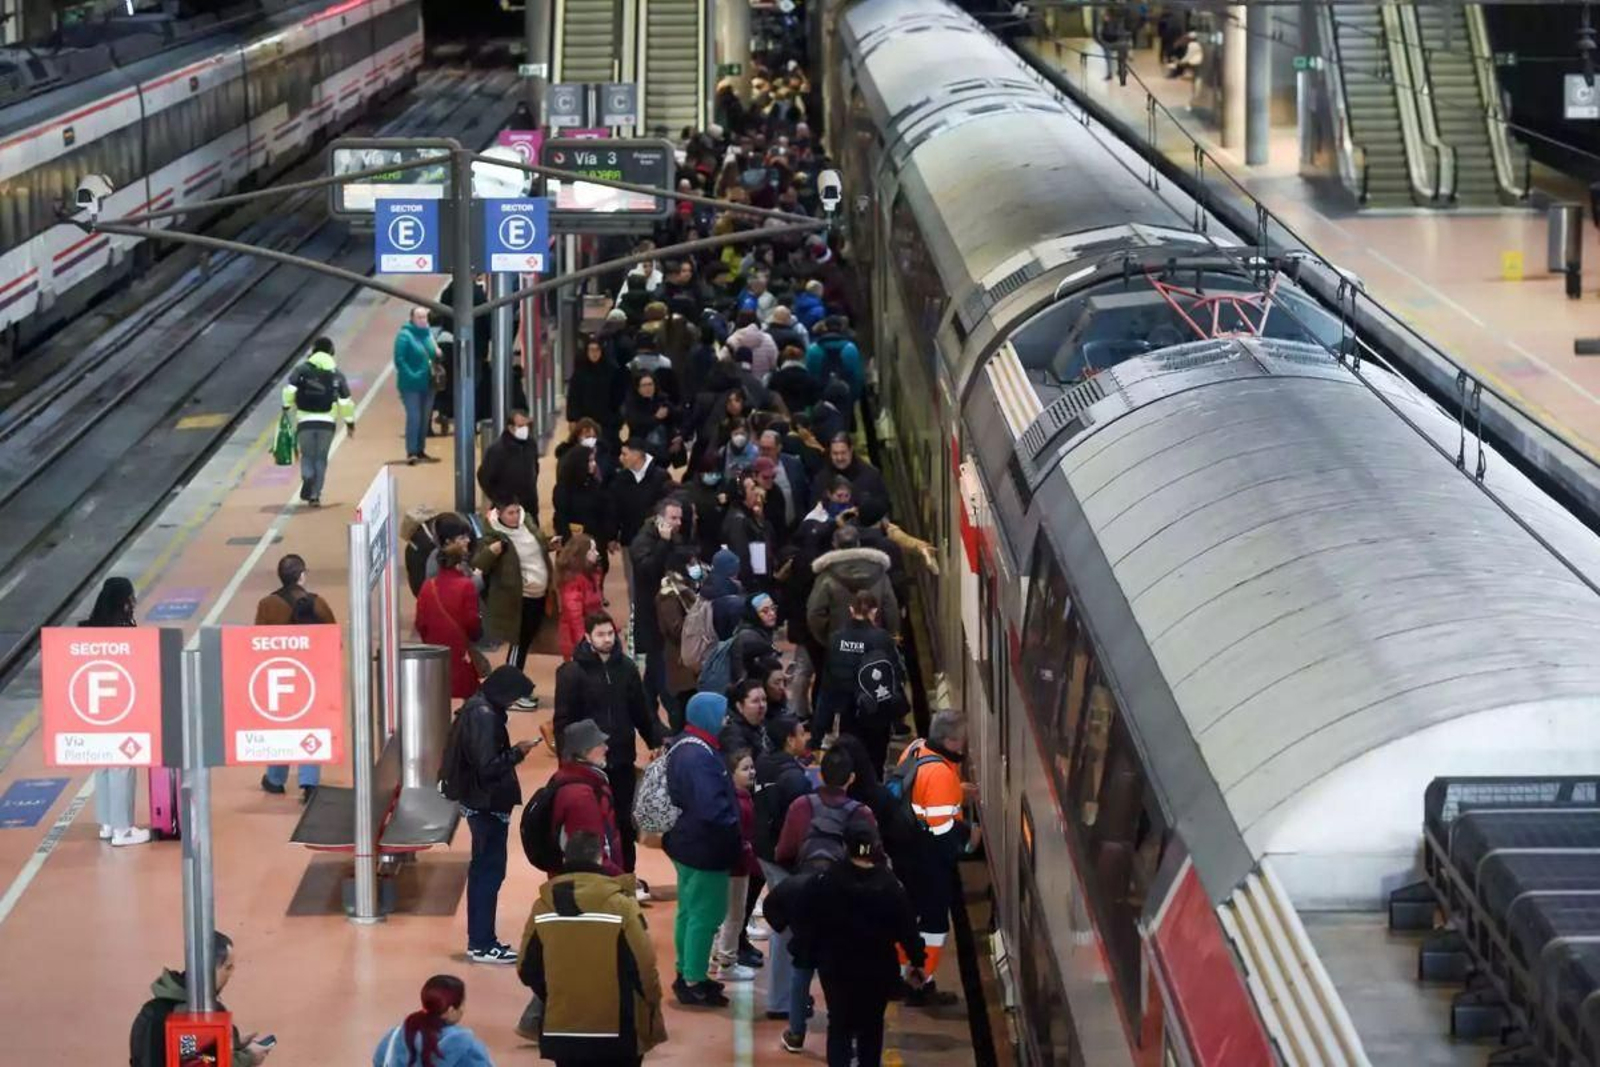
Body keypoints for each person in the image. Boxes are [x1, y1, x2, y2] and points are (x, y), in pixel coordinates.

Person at [518, 832, 667, 1065]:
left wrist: (556, 995)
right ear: (600, 858)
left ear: (565, 859)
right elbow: (644, 968)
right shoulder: (622, 907)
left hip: (563, 1030)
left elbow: (527, 968)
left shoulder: (543, 906)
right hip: (618, 1028)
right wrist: (651, 1006)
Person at [768, 746, 878, 1053]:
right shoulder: (862, 813)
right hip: (847, 900)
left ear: (819, 774)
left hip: (807, 897)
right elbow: (873, 859)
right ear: (851, 778)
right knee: (844, 969)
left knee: (802, 963)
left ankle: (796, 1032)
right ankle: (845, 1030)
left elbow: (783, 852)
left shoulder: (802, 806)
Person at [795, 821, 927, 1067]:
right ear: (876, 847)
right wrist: (917, 961)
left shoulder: (826, 881)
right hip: (876, 969)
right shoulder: (890, 886)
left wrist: (807, 955)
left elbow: (809, 921)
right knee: (871, 1027)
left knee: (839, 1025)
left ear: (846, 846)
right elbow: (907, 929)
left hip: (835, 967)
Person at [552, 612, 662, 877]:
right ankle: (594, 874)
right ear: (588, 637)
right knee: (593, 822)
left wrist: (654, 740)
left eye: (610, 633)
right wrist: (566, 760)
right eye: (601, 635)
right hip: (588, 763)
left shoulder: (626, 668)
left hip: (622, 757)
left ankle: (627, 876)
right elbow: (563, 720)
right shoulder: (572, 673)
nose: (607, 639)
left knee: (624, 821)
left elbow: (640, 710)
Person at [664, 692, 743, 1007]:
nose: (726, 721)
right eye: (722, 714)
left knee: (688, 911)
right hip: (705, 848)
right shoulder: (701, 757)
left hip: (686, 843)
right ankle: (694, 980)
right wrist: (735, 824)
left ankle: (687, 970)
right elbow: (713, 808)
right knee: (705, 915)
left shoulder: (687, 746)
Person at [894, 710, 977, 1006]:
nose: (964, 746)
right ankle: (919, 983)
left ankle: (906, 975)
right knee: (933, 926)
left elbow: (921, 795)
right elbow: (942, 831)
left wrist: (955, 792)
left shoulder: (917, 747)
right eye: (961, 740)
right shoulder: (941, 773)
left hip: (906, 851)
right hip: (928, 860)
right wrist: (968, 838)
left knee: (910, 917)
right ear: (949, 740)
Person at [456, 666, 538, 963]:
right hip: (486, 804)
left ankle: (479, 939)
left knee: (483, 872)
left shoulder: (477, 708)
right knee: (488, 873)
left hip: (479, 802)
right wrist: (517, 752)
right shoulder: (484, 717)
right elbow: (488, 766)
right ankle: (482, 941)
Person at [255, 554, 336, 799]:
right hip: (311, 675)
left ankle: (275, 779)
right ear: (302, 576)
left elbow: (255, 643)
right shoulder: (317, 603)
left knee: (281, 725)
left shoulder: (267, 605)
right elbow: (333, 640)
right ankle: (309, 782)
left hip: (279, 676)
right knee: (311, 724)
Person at [130, 932, 272, 1067]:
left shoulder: (154, 1008)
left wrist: (235, 1043)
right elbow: (197, 1061)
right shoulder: (189, 1012)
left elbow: (197, 1054)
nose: (231, 974)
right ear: (209, 968)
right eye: (228, 967)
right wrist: (248, 1058)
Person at [81, 578, 151, 846]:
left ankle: (107, 824)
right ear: (124, 600)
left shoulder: (88, 630)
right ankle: (124, 829)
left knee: (104, 762)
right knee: (123, 764)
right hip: (123, 706)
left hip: (94, 709)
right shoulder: (125, 629)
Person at [753, 716, 814, 1023]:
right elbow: (799, 827)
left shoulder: (763, 765)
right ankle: (782, 1000)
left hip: (765, 852)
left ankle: (784, 996)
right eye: (802, 733)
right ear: (790, 740)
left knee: (783, 921)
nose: (807, 737)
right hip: (783, 859)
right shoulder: (794, 779)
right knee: (788, 927)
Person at [816, 592, 904, 768]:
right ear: (875, 611)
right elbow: (896, 677)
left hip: (848, 714)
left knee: (851, 763)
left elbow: (827, 686)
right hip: (877, 712)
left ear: (850, 610)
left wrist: (819, 728)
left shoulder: (836, 639)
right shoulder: (882, 639)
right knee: (875, 765)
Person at [473, 502, 552, 672]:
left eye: (517, 511)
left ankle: (513, 683)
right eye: (510, 513)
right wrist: (492, 552)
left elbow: (537, 548)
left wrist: (550, 544)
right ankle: (511, 685)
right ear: (499, 514)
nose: (516, 516)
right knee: (519, 644)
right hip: (518, 597)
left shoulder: (528, 525)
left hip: (540, 593)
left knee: (526, 641)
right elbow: (479, 564)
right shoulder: (493, 536)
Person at [281, 336, 355, 506]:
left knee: (307, 455)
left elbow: (289, 390)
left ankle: (307, 476)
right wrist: (350, 423)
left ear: (313, 351)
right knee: (321, 458)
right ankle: (315, 495)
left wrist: (286, 407)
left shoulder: (301, 370)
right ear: (332, 352)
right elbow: (345, 402)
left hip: (305, 421)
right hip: (327, 423)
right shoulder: (336, 374)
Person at [711, 747, 763, 982]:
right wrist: (750, 857)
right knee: (734, 916)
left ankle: (715, 958)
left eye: (752, 767)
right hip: (737, 868)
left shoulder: (738, 797)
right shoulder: (739, 804)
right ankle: (727, 963)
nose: (751, 772)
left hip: (728, 865)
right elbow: (741, 839)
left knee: (724, 915)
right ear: (731, 774)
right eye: (745, 768)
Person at [629, 498, 683, 721]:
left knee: (654, 670)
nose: (679, 522)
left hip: (667, 612)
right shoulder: (642, 541)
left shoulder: (673, 537)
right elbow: (646, 571)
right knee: (661, 670)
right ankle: (673, 716)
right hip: (652, 616)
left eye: (680, 518)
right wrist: (663, 544)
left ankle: (646, 711)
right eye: (673, 518)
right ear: (660, 519)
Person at [548, 720, 625, 876]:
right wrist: (620, 878)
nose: (606, 748)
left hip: (582, 881)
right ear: (585, 750)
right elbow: (588, 854)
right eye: (600, 744)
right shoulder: (581, 795)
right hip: (588, 884)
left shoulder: (572, 778)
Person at [372, 975, 493, 1067]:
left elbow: (378, 1060)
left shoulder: (396, 1035)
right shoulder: (468, 1047)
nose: (464, 1009)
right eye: (462, 1004)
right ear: (451, 1010)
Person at [807, 524, 899, 644]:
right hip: (874, 639)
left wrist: (828, 639)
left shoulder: (826, 577)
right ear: (858, 543)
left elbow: (815, 613)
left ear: (834, 545)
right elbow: (890, 608)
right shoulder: (880, 573)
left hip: (841, 642)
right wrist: (889, 636)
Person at [416, 544, 486, 701]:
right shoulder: (466, 585)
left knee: (438, 689)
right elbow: (471, 621)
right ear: (459, 564)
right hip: (459, 647)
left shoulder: (428, 585)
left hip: (435, 647)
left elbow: (420, 622)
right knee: (467, 690)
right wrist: (475, 636)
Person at [608, 440, 673, 563]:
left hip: (655, 539)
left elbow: (666, 507)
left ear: (637, 455)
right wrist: (612, 535)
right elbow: (614, 509)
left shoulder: (661, 477)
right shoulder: (620, 479)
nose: (621, 458)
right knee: (632, 579)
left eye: (624, 454)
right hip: (629, 538)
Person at [477, 410, 541, 523]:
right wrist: (500, 500)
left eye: (527, 425)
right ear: (510, 427)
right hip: (506, 509)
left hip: (529, 507)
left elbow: (535, 468)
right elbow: (485, 477)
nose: (525, 429)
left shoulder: (531, 444)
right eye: (521, 426)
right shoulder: (497, 450)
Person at [395, 305, 439, 464]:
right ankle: (411, 451)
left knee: (424, 418)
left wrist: (436, 349)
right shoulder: (404, 336)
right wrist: (412, 375)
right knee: (414, 417)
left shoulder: (428, 335)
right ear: (412, 319)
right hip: (410, 385)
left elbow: (434, 354)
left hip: (428, 383)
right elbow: (399, 359)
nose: (423, 320)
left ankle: (420, 449)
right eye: (419, 317)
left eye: (424, 317)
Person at [566, 335, 626, 449]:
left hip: (607, 421)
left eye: (597, 350)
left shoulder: (612, 371)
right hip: (585, 421)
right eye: (591, 350)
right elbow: (573, 397)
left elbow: (619, 395)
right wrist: (572, 419)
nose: (594, 353)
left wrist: (616, 418)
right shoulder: (580, 373)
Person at [809, 435, 888, 519]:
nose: (840, 458)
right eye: (835, 453)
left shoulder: (871, 475)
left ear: (851, 451)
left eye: (843, 453)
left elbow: (884, 507)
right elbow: (814, 512)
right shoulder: (821, 479)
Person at [554, 533, 605, 661]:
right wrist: (585, 644)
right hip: (576, 643)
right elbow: (574, 618)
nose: (597, 553)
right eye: (592, 550)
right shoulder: (572, 582)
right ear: (582, 555)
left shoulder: (591, 574)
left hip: (591, 635)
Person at [721, 472, 774, 591]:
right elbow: (742, 558)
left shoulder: (746, 516)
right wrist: (753, 587)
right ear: (741, 494)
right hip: (748, 587)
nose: (756, 492)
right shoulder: (738, 521)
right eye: (752, 489)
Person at [552, 445, 613, 544]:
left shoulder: (595, 484)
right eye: (590, 461)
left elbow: (604, 512)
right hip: (574, 543)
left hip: (596, 542)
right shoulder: (563, 488)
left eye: (594, 460)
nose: (594, 464)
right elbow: (561, 518)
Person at [758, 430, 809, 532]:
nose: (764, 453)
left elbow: (804, 492)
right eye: (762, 448)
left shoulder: (794, 464)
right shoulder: (753, 468)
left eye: (768, 449)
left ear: (778, 448)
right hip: (768, 529)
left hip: (795, 525)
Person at [729, 593, 783, 685]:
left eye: (773, 608)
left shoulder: (760, 630)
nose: (772, 614)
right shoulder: (750, 637)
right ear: (753, 614)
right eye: (765, 611)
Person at [804, 317, 863, 401]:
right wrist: (853, 397)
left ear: (825, 328)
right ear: (841, 328)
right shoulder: (851, 349)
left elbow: (809, 376)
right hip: (845, 397)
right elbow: (857, 376)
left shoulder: (813, 349)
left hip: (820, 398)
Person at [719, 677, 770, 759]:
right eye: (755, 701)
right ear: (740, 706)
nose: (762, 705)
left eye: (764, 700)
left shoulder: (763, 724)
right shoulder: (732, 734)